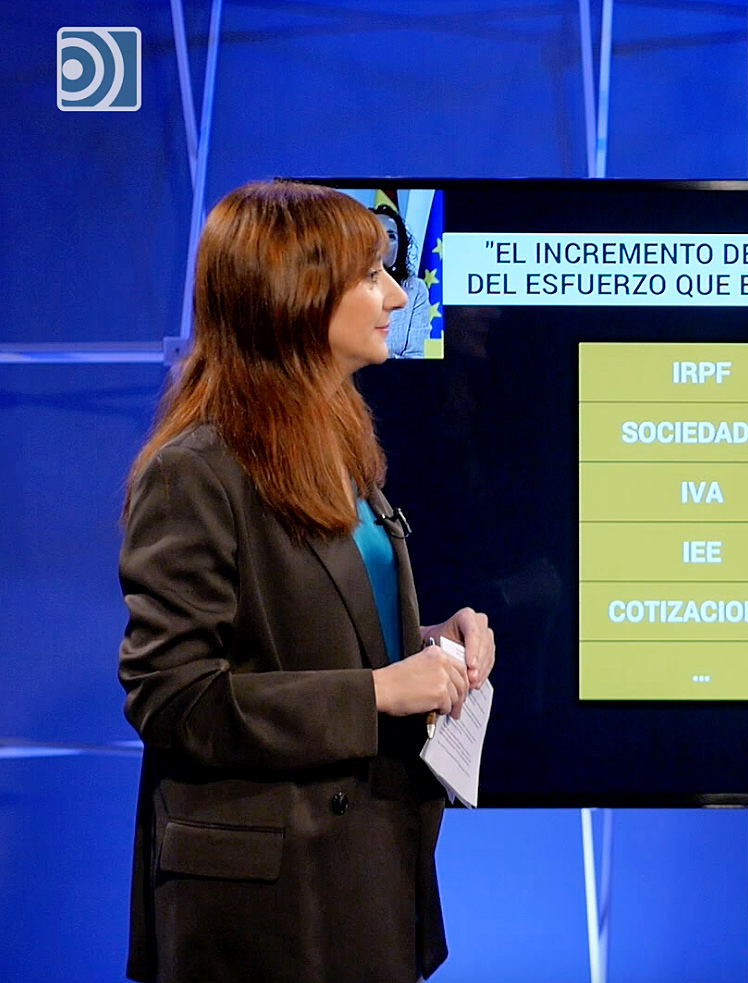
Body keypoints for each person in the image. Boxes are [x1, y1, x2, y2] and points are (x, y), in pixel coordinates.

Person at [119, 180, 496, 982]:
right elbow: (173, 697)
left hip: (367, 871)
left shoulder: (335, 446)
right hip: (265, 911)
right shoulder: (195, 472)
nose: (397, 296)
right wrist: (379, 692)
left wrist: (430, 646)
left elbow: (315, 628)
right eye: (370, 276)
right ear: (294, 295)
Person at [374, 202, 434, 358]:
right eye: (375, 234)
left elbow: (416, 357)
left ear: (400, 246)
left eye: (391, 236)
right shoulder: (339, 286)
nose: (383, 243)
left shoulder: (415, 289)